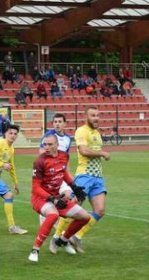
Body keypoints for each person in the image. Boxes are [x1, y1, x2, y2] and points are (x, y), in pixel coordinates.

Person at [28, 134, 92, 263]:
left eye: (50, 144)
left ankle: (62, 240)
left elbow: (63, 174)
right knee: (53, 215)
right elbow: (36, 188)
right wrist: (52, 199)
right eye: (44, 144)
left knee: (85, 217)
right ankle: (35, 250)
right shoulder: (39, 161)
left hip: (55, 198)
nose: (46, 147)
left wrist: (75, 187)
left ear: (57, 145)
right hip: (40, 199)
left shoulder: (64, 156)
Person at [64, 106, 110, 252]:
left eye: (98, 115)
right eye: (93, 115)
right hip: (84, 175)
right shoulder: (81, 131)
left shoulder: (97, 133)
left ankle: (76, 236)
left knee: (100, 210)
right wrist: (101, 153)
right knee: (72, 207)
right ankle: (58, 237)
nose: (96, 118)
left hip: (97, 176)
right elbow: (83, 151)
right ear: (86, 117)